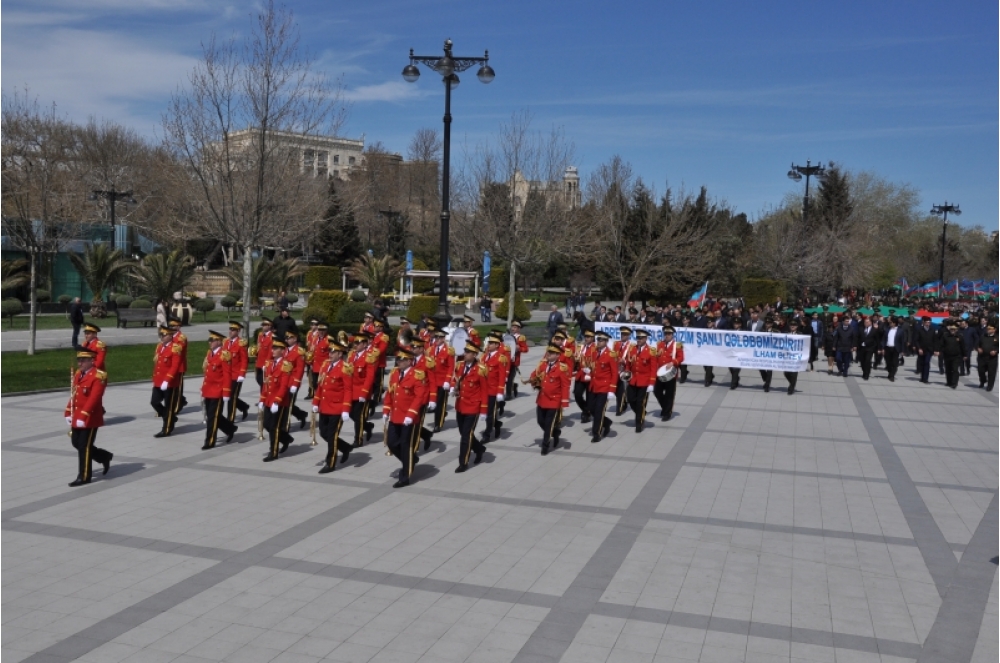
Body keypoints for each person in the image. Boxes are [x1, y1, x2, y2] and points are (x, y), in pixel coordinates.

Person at [64, 349, 113, 486]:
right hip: (78, 415)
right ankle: (104, 456)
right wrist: (68, 411)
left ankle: (84, 476)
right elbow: (74, 394)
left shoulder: (99, 376)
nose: (80, 363)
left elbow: (94, 398)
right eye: (79, 360)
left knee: (84, 446)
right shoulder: (78, 374)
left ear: (92, 361)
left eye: (83, 361)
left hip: (90, 417)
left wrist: (84, 415)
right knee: (76, 443)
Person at [312, 336, 353, 473]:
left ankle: (330, 463)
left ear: (340, 354)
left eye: (333, 352)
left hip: (337, 408)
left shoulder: (345, 368)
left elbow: (348, 390)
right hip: (325, 406)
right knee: (324, 433)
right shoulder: (325, 365)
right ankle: (346, 447)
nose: (330, 354)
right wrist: (316, 402)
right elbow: (321, 386)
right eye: (329, 351)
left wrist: (346, 409)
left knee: (332, 436)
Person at [451, 342, 489, 473]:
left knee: (466, 436)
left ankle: (463, 462)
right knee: (463, 432)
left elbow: (484, 391)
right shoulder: (459, 365)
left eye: (468, 352)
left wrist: (483, 410)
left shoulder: (481, 369)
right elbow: (455, 379)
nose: (465, 354)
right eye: (465, 351)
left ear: (474, 355)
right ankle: (479, 449)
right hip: (460, 405)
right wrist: (453, 387)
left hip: (473, 406)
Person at [528, 343, 571, 455]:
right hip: (542, 399)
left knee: (548, 424)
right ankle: (555, 432)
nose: (548, 354)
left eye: (552, 353)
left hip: (554, 400)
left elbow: (565, 386)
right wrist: (533, 379)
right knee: (540, 421)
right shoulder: (543, 364)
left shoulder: (562, 368)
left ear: (557, 355)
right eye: (548, 352)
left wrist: (565, 402)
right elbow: (534, 374)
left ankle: (545, 445)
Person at [200, 330, 238, 449]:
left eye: (212, 340)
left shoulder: (224, 355)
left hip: (218, 391)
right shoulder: (210, 354)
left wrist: (226, 392)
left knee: (212, 417)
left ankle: (210, 441)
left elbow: (227, 375)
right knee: (213, 415)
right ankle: (230, 428)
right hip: (208, 390)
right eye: (209, 340)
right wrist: (203, 387)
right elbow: (208, 373)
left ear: (219, 342)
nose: (209, 342)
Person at [260, 339, 294, 461]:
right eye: (273, 348)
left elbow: (284, 386)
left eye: (276, 348)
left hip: (279, 402)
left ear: (282, 351)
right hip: (269, 400)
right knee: (266, 424)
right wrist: (262, 398)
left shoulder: (285, 365)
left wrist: (277, 401)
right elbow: (266, 383)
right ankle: (286, 439)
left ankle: (273, 452)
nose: (273, 350)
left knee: (274, 427)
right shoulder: (269, 364)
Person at [151, 326, 182, 438]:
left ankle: (167, 429)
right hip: (159, 381)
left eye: (164, 335)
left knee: (169, 406)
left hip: (170, 383)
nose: (162, 337)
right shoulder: (160, 347)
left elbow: (175, 366)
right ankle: (171, 418)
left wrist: (167, 380)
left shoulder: (175, 348)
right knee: (154, 402)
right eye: (161, 335)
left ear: (170, 336)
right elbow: (158, 364)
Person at [348, 332, 378, 446]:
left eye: (358, 343)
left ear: (365, 344)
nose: (355, 345)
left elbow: (370, 377)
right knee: (351, 413)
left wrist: (364, 392)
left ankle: (358, 439)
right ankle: (367, 426)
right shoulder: (352, 355)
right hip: (351, 390)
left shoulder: (369, 357)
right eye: (355, 343)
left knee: (358, 416)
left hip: (362, 391)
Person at [588, 331, 618, 442]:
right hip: (594, 385)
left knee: (599, 410)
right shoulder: (595, 352)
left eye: (601, 340)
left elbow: (614, 373)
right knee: (591, 408)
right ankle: (607, 422)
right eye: (598, 340)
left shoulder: (611, 354)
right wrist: (589, 372)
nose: (599, 342)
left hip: (604, 386)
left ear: (606, 342)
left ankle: (596, 433)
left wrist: (612, 389)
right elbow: (594, 368)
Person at [625, 329, 656, 432]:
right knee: (630, 399)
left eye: (641, 338)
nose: (638, 340)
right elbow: (628, 363)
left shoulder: (651, 351)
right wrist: (627, 372)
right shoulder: (632, 349)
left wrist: (651, 383)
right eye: (637, 338)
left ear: (645, 339)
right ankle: (641, 412)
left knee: (640, 402)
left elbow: (653, 369)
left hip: (644, 381)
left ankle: (639, 423)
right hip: (633, 380)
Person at [481, 333, 509, 441]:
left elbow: (502, 376)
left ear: (497, 345)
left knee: (490, 412)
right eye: (489, 343)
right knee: (484, 411)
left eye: (492, 343)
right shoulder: (484, 356)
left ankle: (487, 434)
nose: (489, 345)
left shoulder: (500, 358)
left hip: (493, 390)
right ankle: (496, 424)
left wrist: (500, 391)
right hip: (483, 389)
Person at [654, 325, 684, 420]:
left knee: (669, 394)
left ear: (672, 335)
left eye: (669, 334)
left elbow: (681, 357)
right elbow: (656, 357)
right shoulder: (660, 344)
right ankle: (665, 407)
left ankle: (667, 413)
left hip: (671, 374)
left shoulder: (677, 345)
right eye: (665, 333)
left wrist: (673, 362)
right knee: (657, 391)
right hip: (660, 372)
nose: (667, 335)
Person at [429, 328, 455, 434]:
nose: (437, 339)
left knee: (440, 403)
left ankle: (438, 424)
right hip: (432, 381)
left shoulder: (448, 351)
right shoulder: (430, 349)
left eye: (439, 337)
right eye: (436, 337)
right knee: (433, 401)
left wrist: (447, 380)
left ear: (443, 338)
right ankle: (442, 414)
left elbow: (451, 367)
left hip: (442, 381)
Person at [223, 322, 250, 422]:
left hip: (236, 375)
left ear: (238, 331)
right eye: (230, 329)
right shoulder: (226, 342)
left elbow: (244, 360)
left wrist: (242, 374)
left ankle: (230, 418)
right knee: (228, 394)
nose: (230, 331)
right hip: (226, 374)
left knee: (232, 396)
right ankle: (244, 406)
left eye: (233, 330)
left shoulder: (241, 343)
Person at [573, 330, 596, 423]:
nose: (586, 338)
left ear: (592, 338)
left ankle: (586, 413)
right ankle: (586, 410)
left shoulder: (596, 348)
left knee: (590, 398)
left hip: (591, 376)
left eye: (589, 337)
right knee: (577, 394)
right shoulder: (580, 347)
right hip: (581, 374)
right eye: (585, 336)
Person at [936, 321, 967, 389]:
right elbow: (941, 344)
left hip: (956, 356)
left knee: (955, 369)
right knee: (948, 369)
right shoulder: (945, 336)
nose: (952, 331)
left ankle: (954, 383)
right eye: (951, 329)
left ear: (956, 330)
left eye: (954, 329)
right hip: (947, 355)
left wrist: (965, 355)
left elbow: (963, 346)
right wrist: (938, 351)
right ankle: (949, 382)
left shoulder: (959, 336)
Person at [880, 316, 905, 382]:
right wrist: (882, 348)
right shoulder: (887, 329)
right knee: (888, 362)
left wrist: (902, 350)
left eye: (891, 322)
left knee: (894, 363)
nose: (889, 324)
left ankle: (892, 375)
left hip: (896, 349)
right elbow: (883, 339)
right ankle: (890, 372)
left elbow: (902, 341)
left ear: (894, 323)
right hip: (887, 348)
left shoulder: (900, 331)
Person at [912, 316, 937, 384]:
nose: (928, 324)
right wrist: (919, 348)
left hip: (929, 350)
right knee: (922, 363)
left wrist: (935, 350)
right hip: (921, 350)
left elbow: (935, 340)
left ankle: (925, 379)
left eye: (929, 322)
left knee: (927, 362)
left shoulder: (932, 330)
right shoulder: (920, 330)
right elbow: (916, 340)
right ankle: (922, 377)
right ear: (923, 322)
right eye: (927, 322)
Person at [253, 317, 275, 387]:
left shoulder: (272, 337)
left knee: (264, 384)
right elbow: (258, 348)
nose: (263, 326)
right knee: (258, 379)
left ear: (269, 326)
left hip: (266, 364)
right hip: (259, 363)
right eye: (262, 325)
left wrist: (266, 364)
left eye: (265, 325)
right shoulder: (260, 335)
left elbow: (270, 352)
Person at [976, 321, 998, 391]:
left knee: (991, 373)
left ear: (994, 330)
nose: (988, 330)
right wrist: (978, 348)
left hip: (992, 358)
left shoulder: (997, 337)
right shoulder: (983, 336)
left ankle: (990, 386)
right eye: (988, 329)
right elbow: (977, 344)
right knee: (980, 370)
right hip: (982, 357)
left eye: (990, 329)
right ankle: (983, 381)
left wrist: (996, 351)